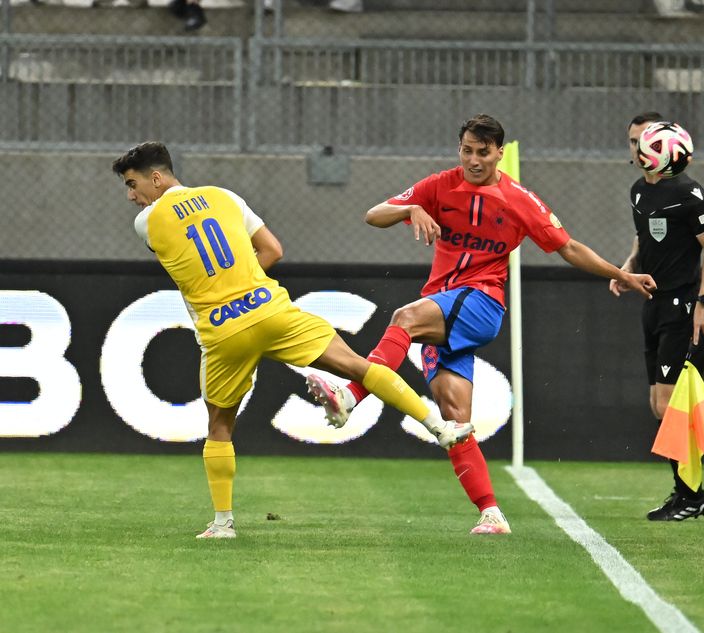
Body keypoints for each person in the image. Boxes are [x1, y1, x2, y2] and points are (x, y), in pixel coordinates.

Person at [305, 114, 657, 535]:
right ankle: (492, 513)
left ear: (499, 154)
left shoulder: (520, 200)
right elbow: (372, 215)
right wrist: (411, 208)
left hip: (482, 304)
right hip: (445, 308)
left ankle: (350, 396)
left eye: (483, 152)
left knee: (404, 318)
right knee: (454, 421)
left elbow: (569, 248)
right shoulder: (439, 185)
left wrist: (623, 275)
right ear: (460, 149)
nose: (474, 160)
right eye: (467, 150)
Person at [112, 141, 473, 539]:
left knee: (219, 426)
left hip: (223, 331)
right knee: (360, 366)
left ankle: (222, 524)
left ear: (157, 177)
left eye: (133, 184)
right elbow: (273, 250)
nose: (131, 196)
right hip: (271, 310)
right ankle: (440, 429)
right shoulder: (226, 196)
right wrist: (246, 282)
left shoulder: (145, 222)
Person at [610, 112, 704, 521]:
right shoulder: (639, 191)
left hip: (684, 306)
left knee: (670, 402)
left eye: (645, 139)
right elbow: (645, 237)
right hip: (653, 304)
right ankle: (687, 492)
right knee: (660, 405)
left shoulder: (690, 193)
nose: (638, 147)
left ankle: (692, 495)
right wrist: (627, 268)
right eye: (633, 140)